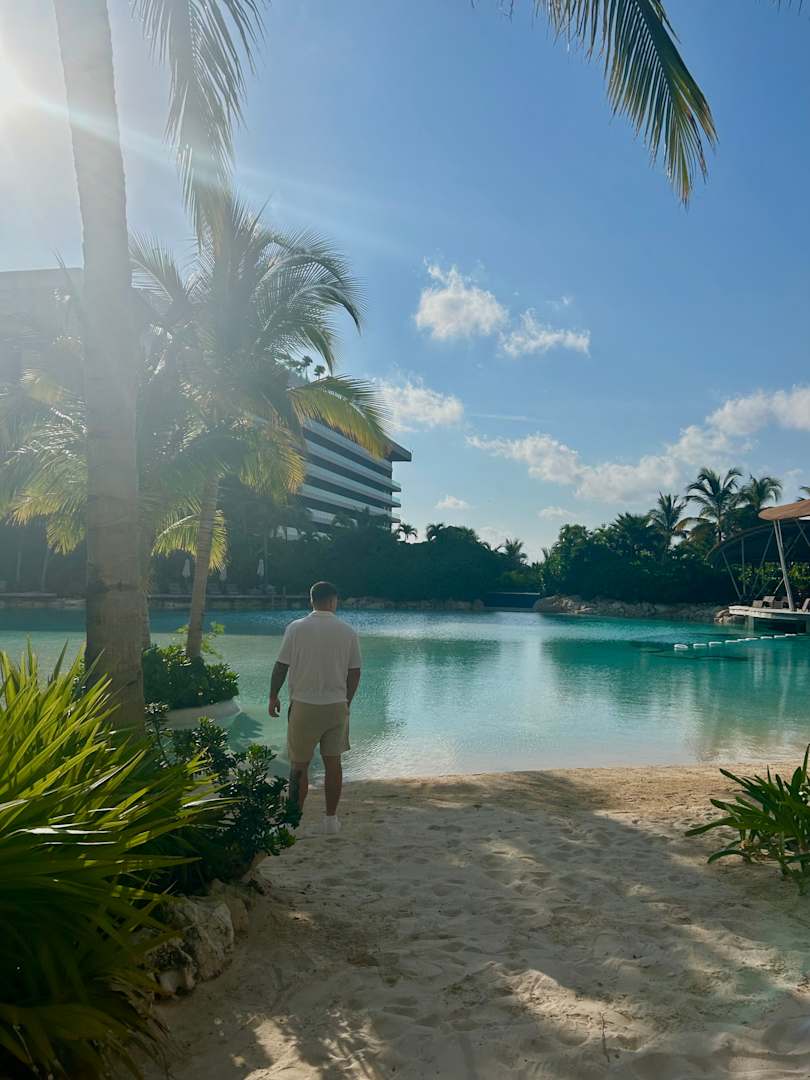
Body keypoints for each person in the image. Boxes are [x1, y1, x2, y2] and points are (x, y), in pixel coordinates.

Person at [268, 581, 361, 835]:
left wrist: (273, 696)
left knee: (299, 766)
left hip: (304, 707)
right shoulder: (348, 631)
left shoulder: (296, 628)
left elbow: (281, 666)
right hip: (336, 707)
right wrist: (347, 702)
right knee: (334, 764)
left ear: (311, 600)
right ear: (333, 601)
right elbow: (355, 672)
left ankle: (292, 822)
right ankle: (330, 821)